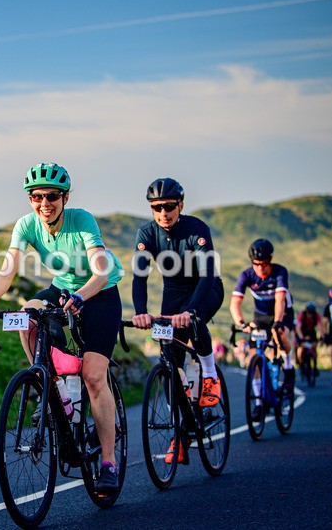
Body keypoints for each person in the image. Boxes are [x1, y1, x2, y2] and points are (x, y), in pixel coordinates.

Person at [0, 162, 124, 494]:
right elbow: (8, 269)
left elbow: (101, 271)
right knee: (28, 313)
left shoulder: (82, 220)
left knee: (94, 377)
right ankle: (50, 385)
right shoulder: (27, 225)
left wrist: (81, 296)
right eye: (37, 196)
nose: (45, 203)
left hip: (98, 293)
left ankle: (108, 463)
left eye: (53, 196)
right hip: (61, 288)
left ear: (65, 197)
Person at [131, 177, 224, 464]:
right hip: (173, 293)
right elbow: (139, 277)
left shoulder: (196, 230)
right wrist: (141, 311)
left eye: (169, 206)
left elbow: (207, 275)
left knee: (195, 323)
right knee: (170, 361)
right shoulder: (146, 234)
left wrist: (192, 310)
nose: (163, 213)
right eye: (156, 207)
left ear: (180, 205)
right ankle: (181, 434)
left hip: (205, 288)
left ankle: (209, 375)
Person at [229, 239, 296, 394]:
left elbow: (280, 300)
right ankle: (259, 400)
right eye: (256, 263)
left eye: (264, 263)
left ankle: (287, 367)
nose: (261, 268)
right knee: (254, 359)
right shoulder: (247, 275)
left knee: (279, 334)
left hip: (282, 312)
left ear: (270, 260)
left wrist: (278, 322)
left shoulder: (280, 272)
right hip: (261, 316)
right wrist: (241, 323)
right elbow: (235, 304)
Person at [295, 301, 322, 376]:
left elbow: (320, 326)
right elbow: (298, 327)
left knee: (314, 348)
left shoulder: (316, 315)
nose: (310, 314)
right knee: (301, 348)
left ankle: (315, 366)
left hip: (312, 333)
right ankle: (301, 363)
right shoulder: (302, 315)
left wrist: (321, 335)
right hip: (302, 333)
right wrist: (301, 337)